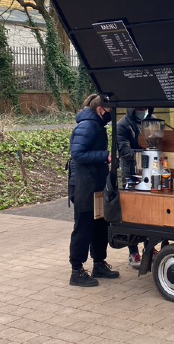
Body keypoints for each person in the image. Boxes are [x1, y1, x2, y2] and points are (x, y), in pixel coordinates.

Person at [68, 94, 120, 287]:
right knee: (84, 226)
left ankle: (99, 263)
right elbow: (78, 153)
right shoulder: (87, 126)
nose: (110, 116)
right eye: (109, 112)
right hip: (83, 185)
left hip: (95, 183)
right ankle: (76, 270)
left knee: (100, 224)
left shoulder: (97, 124)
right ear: (100, 110)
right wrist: (105, 156)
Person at [116, 107, 152, 269]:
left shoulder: (151, 121)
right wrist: (146, 153)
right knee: (132, 214)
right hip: (130, 174)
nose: (142, 111)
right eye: (139, 109)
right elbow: (123, 151)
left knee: (148, 213)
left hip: (149, 172)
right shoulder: (122, 125)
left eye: (144, 109)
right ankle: (133, 252)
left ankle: (149, 248)